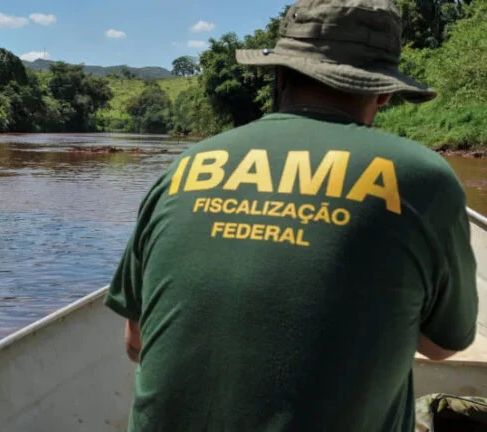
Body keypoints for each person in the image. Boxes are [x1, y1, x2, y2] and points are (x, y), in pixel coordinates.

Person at [105, 0, 479, 430]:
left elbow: (135, 340)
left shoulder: (186, 166)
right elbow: (443, 347)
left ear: (280, 75)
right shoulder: (421, 179)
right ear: (384, 91)